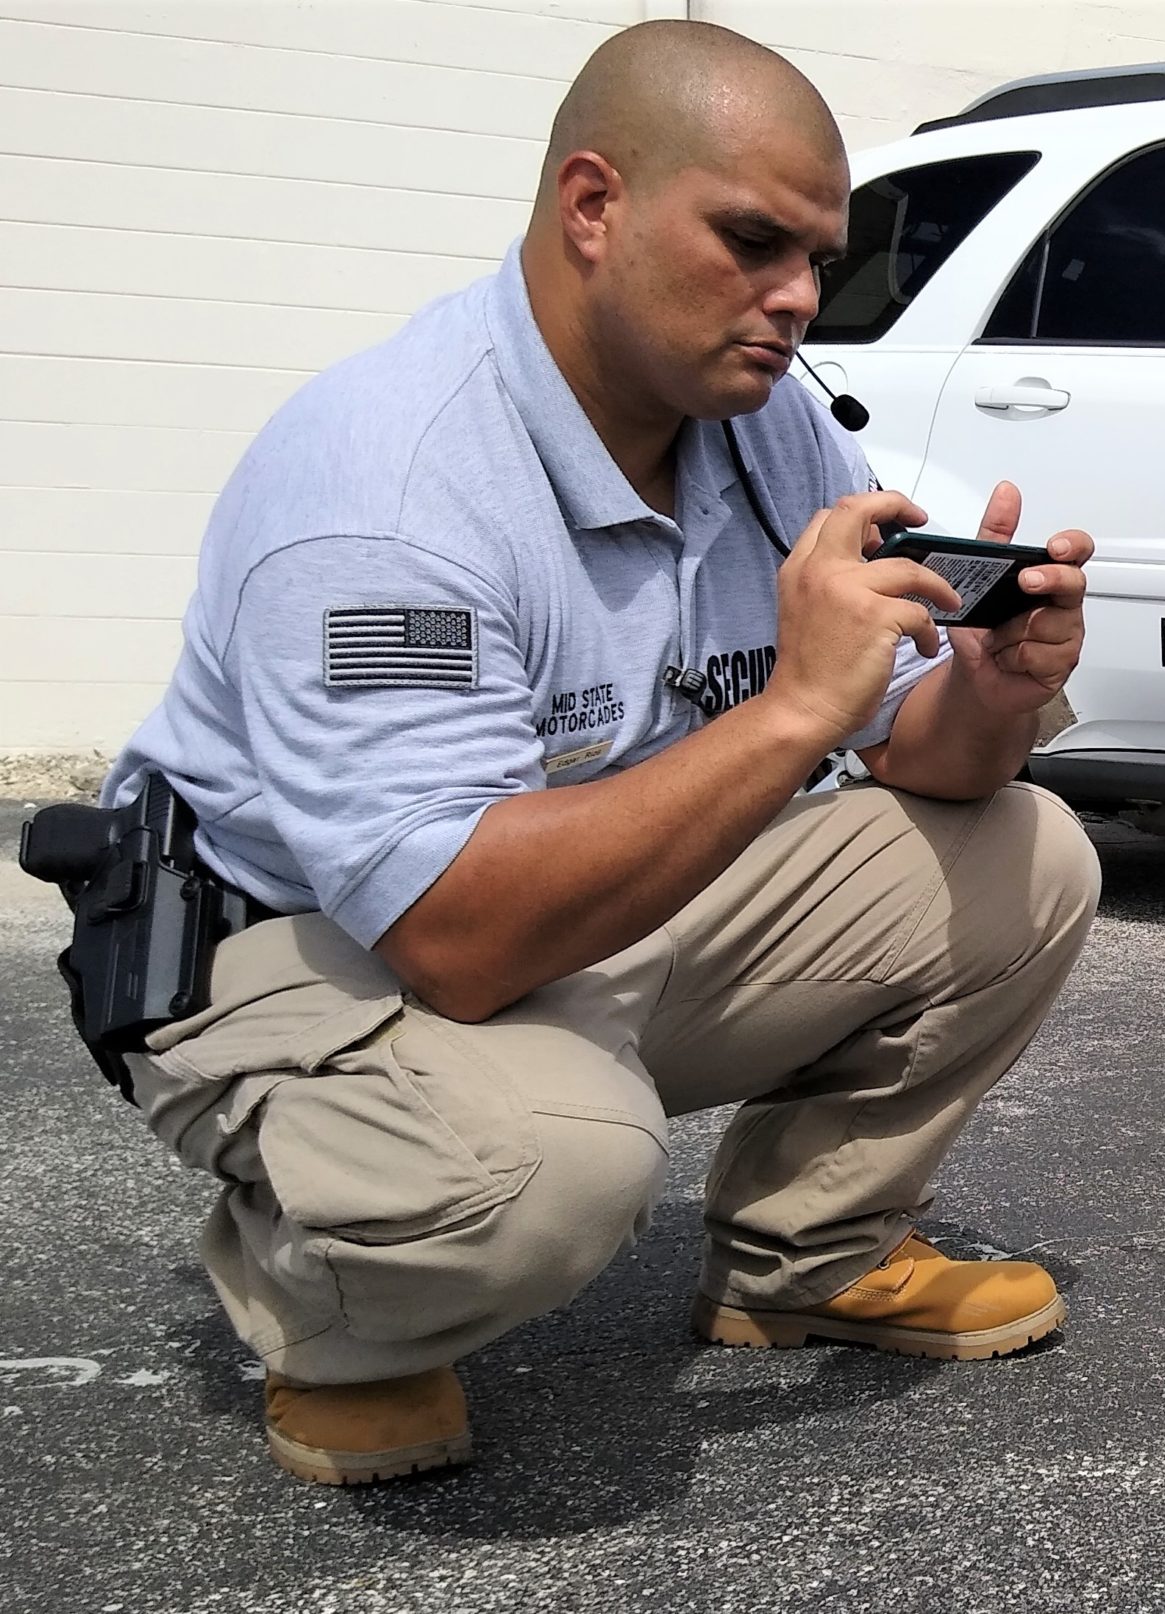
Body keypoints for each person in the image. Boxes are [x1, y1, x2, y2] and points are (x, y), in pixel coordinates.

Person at [96, 19, 1101, 1486]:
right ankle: (341, 1309)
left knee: (1028, 852)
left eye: (821, 258)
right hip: (286, 939)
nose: (799, 299)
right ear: (592, 206)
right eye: (754, 241)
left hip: (559, 893)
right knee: (555, 1166)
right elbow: (454, 939)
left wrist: (997, 689)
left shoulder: (768, 431)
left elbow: (915, 758)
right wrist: (792, 715)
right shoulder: (390, 484)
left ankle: (803, 1258)